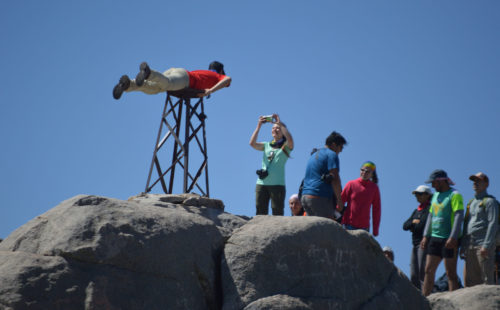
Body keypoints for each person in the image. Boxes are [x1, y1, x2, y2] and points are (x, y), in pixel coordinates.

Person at [420, 169, 464, 296]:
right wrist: (425, 235)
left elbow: (458, 215)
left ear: (441, 181)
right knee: (428, 270)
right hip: (435, 238)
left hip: (449, 239)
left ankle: (453, 302)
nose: (432, 186)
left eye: (433, 183)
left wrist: (453, 237)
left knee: (450, 273)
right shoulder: (434, 196)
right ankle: (425, 300)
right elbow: (430, 215)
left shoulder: (454, 195)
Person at [112, 61, 231, 99]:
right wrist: (211, 90)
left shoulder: (206, 73)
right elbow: (228, 80)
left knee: (155, 88)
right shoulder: (217, 77)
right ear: (220, 71)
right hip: (185, 79)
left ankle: (128, 85)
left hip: (177, 71)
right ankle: (149, 73)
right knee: (166, 84)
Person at [249, 114, 294, 215]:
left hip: (277, 184)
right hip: (262, 183)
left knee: (277, 212)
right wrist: (259, 126)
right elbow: (252, 143)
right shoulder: (266, 145)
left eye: (278, 128)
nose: (275, 129)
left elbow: (290, 140)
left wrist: (279, 123)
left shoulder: (286, 147)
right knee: (260, 212)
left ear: (283, 131)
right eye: (273, 128)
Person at [461, 172, 498, 286]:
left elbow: (493, 223)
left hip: (483, 243)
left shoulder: (490, 202)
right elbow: (466, 224)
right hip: (470, 244)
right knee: (471, 281)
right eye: (474, 181)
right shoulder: (471, 202)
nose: (475, 183)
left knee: (487, 279)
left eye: (479, 181)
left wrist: (486, 245)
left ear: (486, 184)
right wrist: (463, 245)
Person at [300, 131, 347, 219]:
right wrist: (340, 201)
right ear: (333, 144)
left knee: (313, 230)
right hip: (319, 197)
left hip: (305, 197)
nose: (341, 150)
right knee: (328, 228)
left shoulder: (314, 154)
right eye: (341, 147)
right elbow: (335, 179)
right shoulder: (331, 155)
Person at [403, 185, 433, 290]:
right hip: (415, 244)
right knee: (414, 274)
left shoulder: (430, 209)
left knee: (422, 272)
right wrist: (413, 222)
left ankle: (425, 296)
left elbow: (422, 226)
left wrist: (414, 225)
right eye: (416, 194)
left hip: (424, 243)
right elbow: (405, 226)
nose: (417, 196)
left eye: (419, 194)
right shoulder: (417, 211)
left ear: (427, 195)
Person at [341, 161, 381, 236]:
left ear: (372, 174)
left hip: (364, 228)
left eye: (368, 171)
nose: (364, 173)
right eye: (362, 170)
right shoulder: (351, 184)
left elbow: (376, 210)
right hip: (347, 225)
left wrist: (375, 230)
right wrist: (335, 217)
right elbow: (340, 202)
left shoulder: (374, 188)